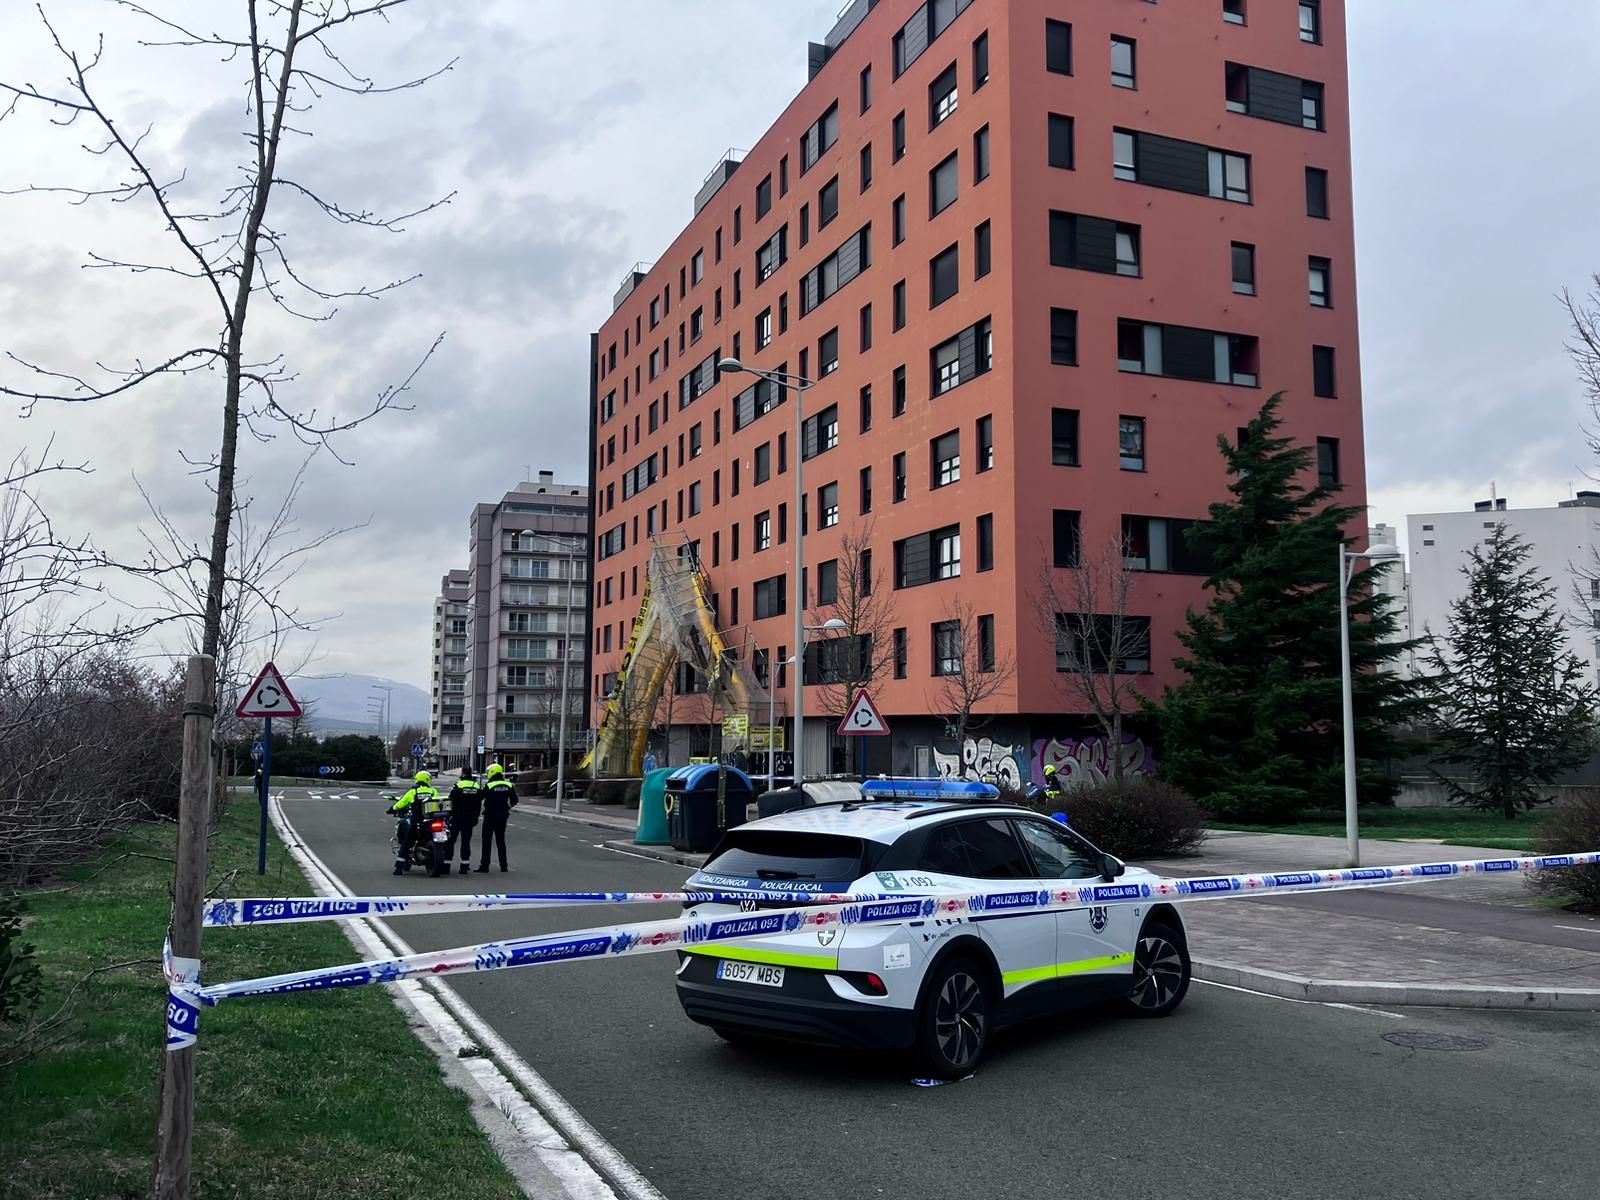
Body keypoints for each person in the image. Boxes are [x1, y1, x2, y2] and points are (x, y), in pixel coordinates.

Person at [388, 770, 441, 875]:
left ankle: (398, 868)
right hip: (431, 821)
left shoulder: (413, 792)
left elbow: (400, 804)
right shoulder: (433, 791)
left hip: (417, 822)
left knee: (407, 843)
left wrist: (392, 809)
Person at [475, 762, 518, 873]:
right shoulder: (508, 785)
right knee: (501, 841)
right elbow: (515, 800)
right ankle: (504, 865)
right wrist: (507, 807)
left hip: (490, 816)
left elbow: (479, 797)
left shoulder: (489, 785)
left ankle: (485, 866)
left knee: (487, 841)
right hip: (502, 816)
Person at [449, 766, 482, 875]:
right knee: (466, 842)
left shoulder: (458, 785)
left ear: (463, 773)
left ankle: (446, 864)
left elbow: (451, 799)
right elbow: (479, 802)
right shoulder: (476, 786)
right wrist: (476, 816)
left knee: (451, 841)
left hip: (457, 817)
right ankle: (464, 865)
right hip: (470, 818)